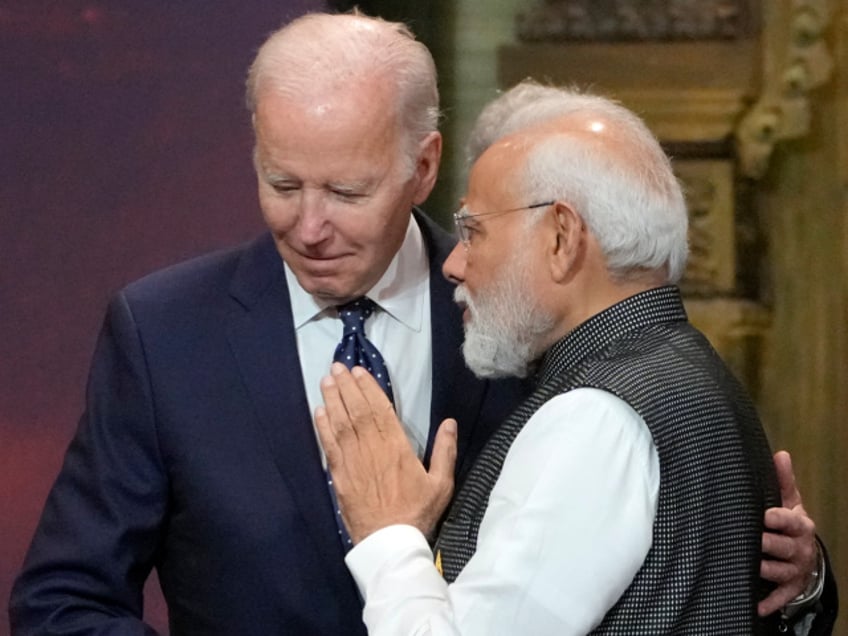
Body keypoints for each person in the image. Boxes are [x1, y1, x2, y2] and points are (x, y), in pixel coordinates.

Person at [8, 12, 828, 636]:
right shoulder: (163, 333)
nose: (310, 225)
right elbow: (59, 602)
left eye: (349, 191)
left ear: (423, 166)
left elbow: (669, 558)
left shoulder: (526, 322)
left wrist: (798, 581)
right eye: (282, 183)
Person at [314, 86, 836, 634]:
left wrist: (389, 535)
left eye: (474, 231)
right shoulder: (687, 367)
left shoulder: (595, 417)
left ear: (562, 237)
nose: (456, 263)